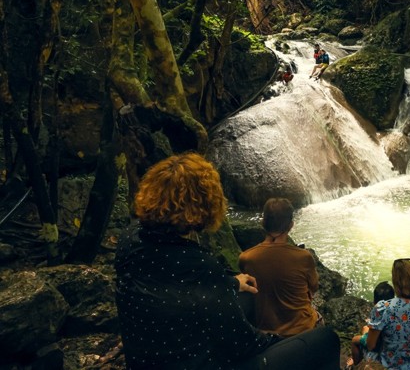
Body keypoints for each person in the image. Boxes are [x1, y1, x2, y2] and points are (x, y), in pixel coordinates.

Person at [114, 153, 340, 370]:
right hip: (199, 363)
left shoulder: (131, 238)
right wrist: (281, 341)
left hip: (148, 356)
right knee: (326, 339)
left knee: (247, 295)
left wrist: (232, 283)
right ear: (205, 207)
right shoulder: (198, 265)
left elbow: (176, 287)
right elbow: (244, 346)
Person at [239, 198, 322, 337]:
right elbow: (314, 287)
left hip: (266, 332)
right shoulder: (303, 257)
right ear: (291, 225)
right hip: (302, 329)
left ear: (262, 223)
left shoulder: (246, 258)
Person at [365, 258, 410, 370]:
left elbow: (371, 345)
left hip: (389, 363)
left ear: (395, 281)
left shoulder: (383, 308)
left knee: (360, 342)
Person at [347, 281, 395, 367]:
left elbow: (371, 345)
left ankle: (356, 363)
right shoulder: (398, 310)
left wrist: (366, 333)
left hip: (381, 355)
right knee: (366, 328)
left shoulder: (378, 311)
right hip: (394, 351)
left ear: (374, 301)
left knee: (355, 340)